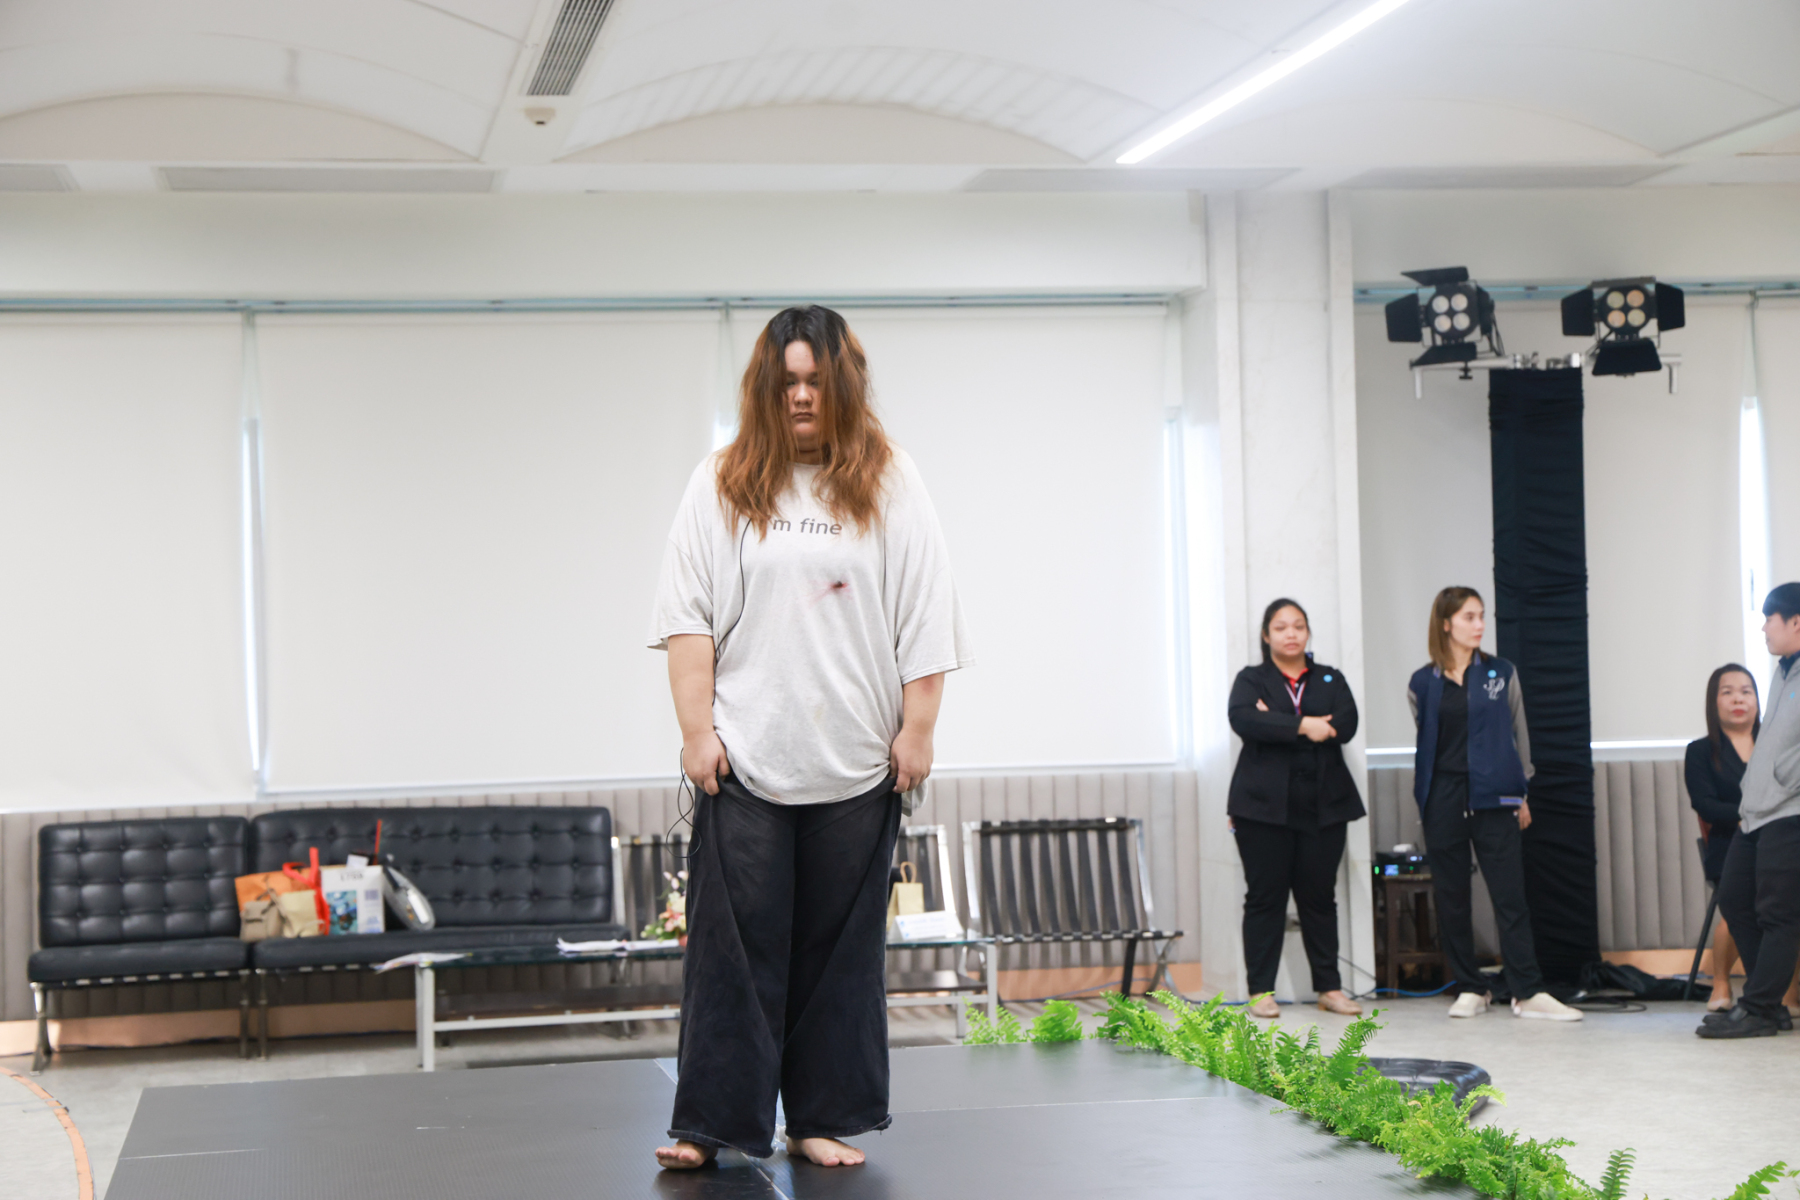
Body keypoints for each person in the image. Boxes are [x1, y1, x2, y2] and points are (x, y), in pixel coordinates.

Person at [647, 306, 973, 1163]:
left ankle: (819, 1120)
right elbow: (688, 620)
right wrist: (695, 733)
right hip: (746, 763)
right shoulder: (721, 482)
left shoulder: (891, 480)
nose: (801, 396)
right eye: (788, 381)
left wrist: (919, 730)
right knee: (732, 955)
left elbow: (927, 614)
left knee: (838, 959)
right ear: (766, 388)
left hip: (859, 764)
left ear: (842, 387)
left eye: (817, 382)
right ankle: (709, 1126)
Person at [1407, 587, 1582, 1021]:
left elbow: (1518, 733)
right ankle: (1471, 986)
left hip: (1495, 795)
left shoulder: (1501, 673)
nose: (1480, 625)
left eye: (1481, 616)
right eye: (1469, 617)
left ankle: (1528, 991)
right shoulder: (1421, 682)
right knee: (1452, 898)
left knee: (1510, 896)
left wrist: (1522, 791)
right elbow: (1427, 738)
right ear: (1446, 623)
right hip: (1442, 798)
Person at [1226, 599, 1366, 1019]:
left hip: (1324, 805)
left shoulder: (1329, 677)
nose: (1291, 634)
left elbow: (1346, 723)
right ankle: (1260, 991)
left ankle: (1329, 988)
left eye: (1299, 626)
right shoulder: (1251, 679)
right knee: (1265, 898)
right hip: (1262, 808)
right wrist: (1306, 724)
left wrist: (1276, 722)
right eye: (1281, 627)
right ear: (1266, 635)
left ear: (1307, 632)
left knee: (1319, 898)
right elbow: (1243, 720)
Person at [1701, 583, 1800, 1038]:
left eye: (1768, 619)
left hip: (1790, 811)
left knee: (1778, 913)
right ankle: (1769, 1003)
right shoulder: (1784, 672)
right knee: (1735, 898)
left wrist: (1782, 779)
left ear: (1795, 622)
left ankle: (1759, 1008)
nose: (1763, 628)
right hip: (1757, 812)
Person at [1686, 664, 1761, 1011]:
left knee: (1788, 907)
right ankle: (1720, 983)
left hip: (1778, 842)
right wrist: (1754, 813)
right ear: (1713, 702)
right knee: (1739, 904)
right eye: (1727, 692)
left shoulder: (1776, 746)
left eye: (1746, 692)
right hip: (1729, 844)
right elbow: (1706, 805)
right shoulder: (1700, 751)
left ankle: (1788, 992)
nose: (1738, 700)